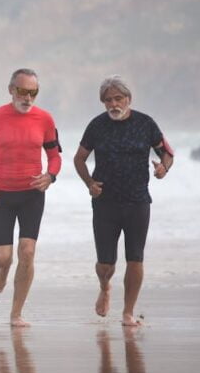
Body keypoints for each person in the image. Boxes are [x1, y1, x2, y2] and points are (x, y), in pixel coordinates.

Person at [73, 75, 173, 327]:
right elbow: (79, 159)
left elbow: (167, 152)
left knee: (135, 258)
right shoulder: (97, 126)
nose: (113, 104)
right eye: (108, 100)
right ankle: (105, 287)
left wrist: (163, 168)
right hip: (105, 202)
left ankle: (128, 312)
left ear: (128, 99)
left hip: (138, 200)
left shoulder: (145, 123)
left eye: (118, 98)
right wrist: (89, 183)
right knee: (105, 264)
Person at [0, 68, 62, 328]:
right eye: (22, 91)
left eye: (33, 92)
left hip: (33, 194)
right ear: (11, 90)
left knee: (28, 251)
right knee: (3, 257)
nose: (28, 98)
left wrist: (51, 176)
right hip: (1, 194)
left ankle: (16, 314)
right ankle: (2, 267)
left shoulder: (45, 119)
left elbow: (55, 156)